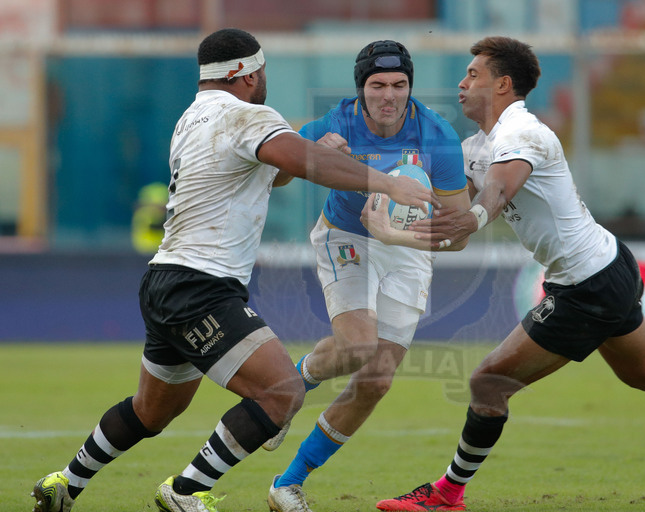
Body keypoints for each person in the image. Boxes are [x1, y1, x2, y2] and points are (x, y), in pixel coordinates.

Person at [374, 36, 645, 511]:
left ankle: (447, 495)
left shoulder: (523, 134)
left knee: (488, 382)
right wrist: (393, 228)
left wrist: (469, 216)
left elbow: (494, 194)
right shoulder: (476, 147)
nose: (462, 81)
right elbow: (456, 233)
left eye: (474, 74)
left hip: (587, 284)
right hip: (606, 266)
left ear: (503, 84)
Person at [29, 28, 437, 512]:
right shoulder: (247, 114)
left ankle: (64, 484)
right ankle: (184, 492)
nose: (265, 81)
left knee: (153, 410)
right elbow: (299, 162)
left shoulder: (192, 118)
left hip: (164, 279)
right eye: (262, 72)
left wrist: (321, 149)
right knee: (282, 391)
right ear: (245, 74)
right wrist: (387, 183)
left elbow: (277, 169)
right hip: (200, 286)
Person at [267, 40, 471, 512]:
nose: (389, 95)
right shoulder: (335, 123)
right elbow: (275, 174)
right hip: (345, 237)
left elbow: (458, 234)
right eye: (377, 85)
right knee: (357, 346)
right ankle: (292, 388)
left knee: (377, 379)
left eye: (399, 85)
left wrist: (399, 237)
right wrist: (310, 152)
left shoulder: (437, 137)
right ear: (361, 89)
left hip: (408, 251)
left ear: (409, 88)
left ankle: (288, 482)